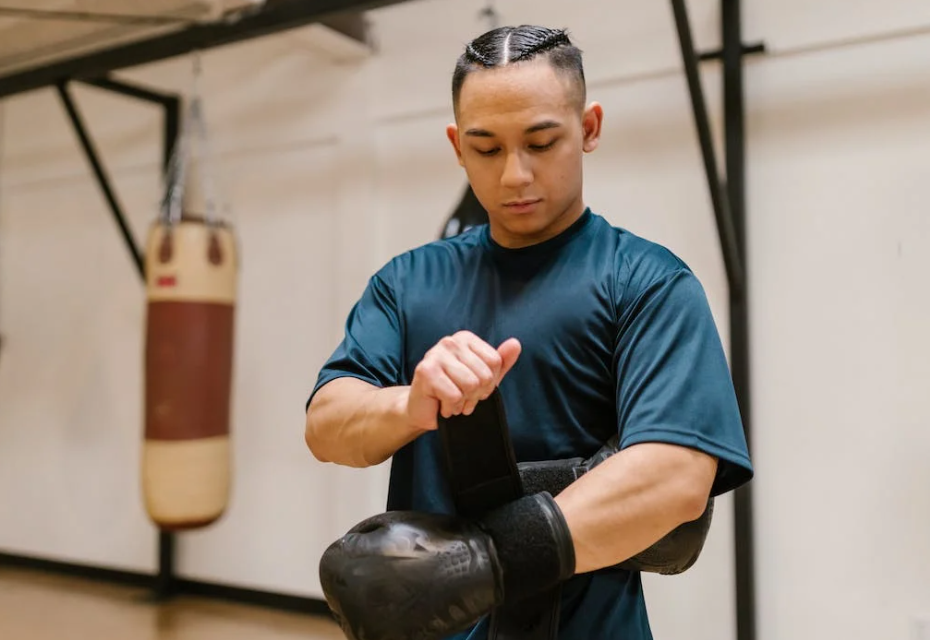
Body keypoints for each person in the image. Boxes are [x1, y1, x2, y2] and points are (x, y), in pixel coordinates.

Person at [304, 24, 753, 640]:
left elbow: (677, 477)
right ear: (457, 146)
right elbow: (327, 426)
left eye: (541, 142)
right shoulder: (407, 282)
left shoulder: (648, 282)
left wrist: (486, 562)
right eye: (487, 149)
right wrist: (410, 403)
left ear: (589, 128)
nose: (515, 174)